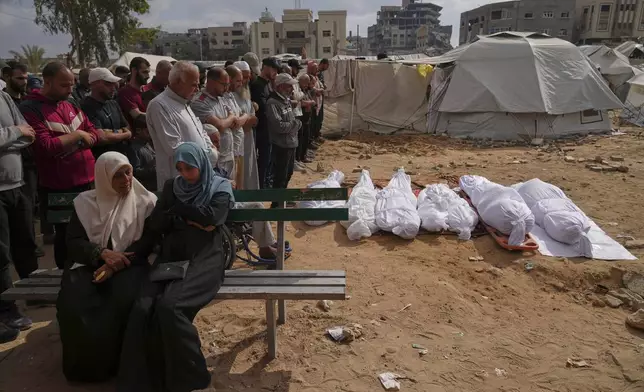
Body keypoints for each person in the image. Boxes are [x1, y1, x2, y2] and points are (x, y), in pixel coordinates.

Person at [118, 142, 233, 392]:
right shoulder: (173, 186)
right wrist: (187, 216)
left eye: (189, 168)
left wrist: (179, 211)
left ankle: (194, 380)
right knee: (142, 308)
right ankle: (145, 381)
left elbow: (212, 218)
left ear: (202, 165)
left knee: (171, 307)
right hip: (171, 255)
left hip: (205, 256)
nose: (184, 174)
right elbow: (158, 223)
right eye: (179, 168)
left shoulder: (220, 187)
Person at [56, 152, 157, 382]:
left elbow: (148, 241)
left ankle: (122, 367)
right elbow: (73, 242)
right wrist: (101, 253)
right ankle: (86, 371)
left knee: (124, 300)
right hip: (88, 263)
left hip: (131, 264)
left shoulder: (145, 201)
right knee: (73, 304)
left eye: (128, 172)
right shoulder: (85, 203)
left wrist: (114, 265)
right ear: (104, 178)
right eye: (117, 175)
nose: (126, 180)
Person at [20, 62, 102, 269]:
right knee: (66, 235)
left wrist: (77, 138)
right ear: (47, 82)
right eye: (64, 85)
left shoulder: (71, 103)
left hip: (88, 179)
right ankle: (66, 279)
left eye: (72, 85)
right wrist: (77, 136)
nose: (70, 89)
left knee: (90, 230)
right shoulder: (30, 108)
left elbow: (93, 132)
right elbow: (45, 146)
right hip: (58, 185)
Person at [0, 90, 38, 342]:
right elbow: (21, 131)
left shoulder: (3, 95)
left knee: (26, 244)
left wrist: (13, 135)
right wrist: (16, 132)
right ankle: (6, 309)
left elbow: (30, 132)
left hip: (17, 185)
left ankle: (34, 292)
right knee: (1, 255)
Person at [146, 61, 218, 190]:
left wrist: (210, 150)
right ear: (178, 81)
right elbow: (175, 148)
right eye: (193, 85)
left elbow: (202, 133)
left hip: (200, 178)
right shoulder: (159, 105)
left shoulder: (184, 103)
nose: (197, 89)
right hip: (179, 183)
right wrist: (210, 155)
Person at [191, 67, 244, 180]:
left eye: (227, 84)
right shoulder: (200, 102)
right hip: (215, 161)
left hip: (229, 155)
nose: (226, 88)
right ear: (210, 82)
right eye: (223, 84)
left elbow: (233, 122)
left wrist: (227, 121)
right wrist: (230, 118)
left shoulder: (221, 98)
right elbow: (220, 125)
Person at [81, 68, 133, 158]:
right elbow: (101, 137)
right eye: (108, 84)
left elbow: (127, 128)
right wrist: (123, 133)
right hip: (101, 159)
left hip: (120, 156)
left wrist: (110, 132)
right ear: (95, 84)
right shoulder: (86, 106)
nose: (113, 88)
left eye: (114, 84)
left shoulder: (113, 103)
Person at [266, 73, 300, 205]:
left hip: (291, 143)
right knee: (280, 176)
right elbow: (279, 126)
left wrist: (293, 125)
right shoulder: (273, 103)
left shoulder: (285, 101)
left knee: (288, 173)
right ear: (280, 86)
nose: (292, 89)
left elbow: (289, 121)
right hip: (281, 146)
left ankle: (283, 199)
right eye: (289, 86)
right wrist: (295, 125)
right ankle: (277, 204)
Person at [249, 57, 280, 188]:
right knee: (262, 159)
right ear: (265, 67)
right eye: (273, 69)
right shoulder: (257, 84)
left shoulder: (268, 84)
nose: (275, 72)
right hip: (260, 128)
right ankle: (261, 185)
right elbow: (264, 106)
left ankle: (266, 182)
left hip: (268, 128)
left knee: (268, 159)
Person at [232, 61, 259, 190]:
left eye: (248, 77)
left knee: (249, 169)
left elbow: (251, 113)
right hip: (236, 141)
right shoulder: (230, 96)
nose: (246, 80)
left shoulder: (246, 93)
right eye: (243, 77)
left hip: (248, 138)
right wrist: (246, 118)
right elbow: (235, 120)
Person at [225, 65, 249, 186]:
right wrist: (243, 118)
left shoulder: (231, 96)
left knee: (239, 182)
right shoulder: (223, 98)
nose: (241, 83)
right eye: (238, 80)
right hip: (230, 151)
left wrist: (243, 117)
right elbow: (236, 122)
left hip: (239, 149)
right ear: (229, 79)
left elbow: (243, 115)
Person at [117, 57, 150, 133]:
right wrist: (160, 117)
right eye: (144, 72)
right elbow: (137, 115)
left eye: (148, 72)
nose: (148, 76)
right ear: (134, 71)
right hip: (135, 139)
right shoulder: (126, 92)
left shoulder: (147, 91)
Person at [296, 74, 315, 165]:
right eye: (306, 83)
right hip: (301, 119)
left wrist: (310, 103)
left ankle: (303, 156)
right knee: (300, 139)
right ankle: (299, 158)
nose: (307, 85)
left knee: (305, 138)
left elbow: (310, 101)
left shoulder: (305, 90)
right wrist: (309, 103)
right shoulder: (297, 90)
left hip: (306, 119)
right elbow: (301, 102)